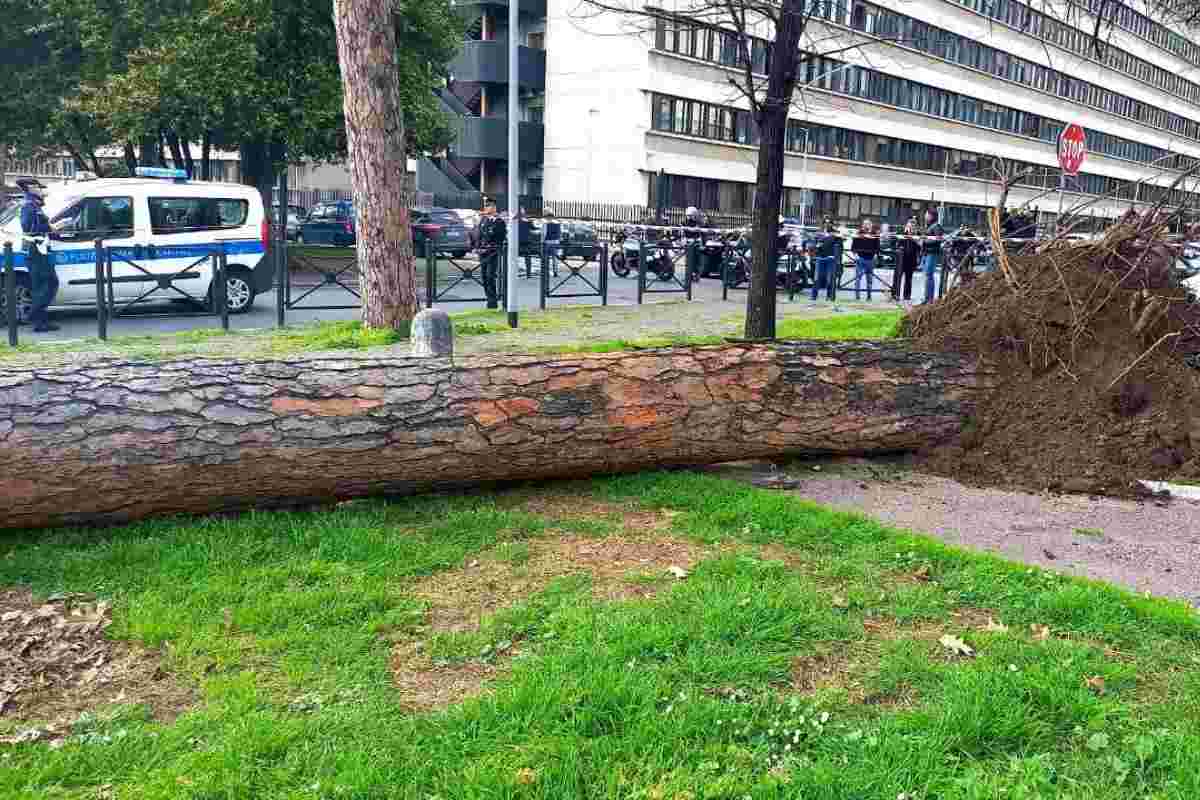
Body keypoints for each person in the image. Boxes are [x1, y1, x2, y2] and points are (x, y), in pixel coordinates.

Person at [17, 177, 58, 332]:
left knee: (46, 284)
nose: (42, 190)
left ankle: (40, 320)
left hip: (39, 249)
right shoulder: (29, 206)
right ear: (31, 188)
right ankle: (36, 317)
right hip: (35, 250)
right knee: (46, 284)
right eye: (39, 188)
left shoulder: (34, 205)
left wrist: (50, 227)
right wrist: (48, 228)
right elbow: (28, 227)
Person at [476, 202, 506, 309]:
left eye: (491, 207)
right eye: (487, 207)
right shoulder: (483, 220)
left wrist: (493, 245)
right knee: (484, 276)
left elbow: (501, 237)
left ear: (494, 209)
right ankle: (489, 297)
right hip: (483, 252)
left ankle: (492, 301)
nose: (488, 209)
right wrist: (478, 247)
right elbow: (478, 234)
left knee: (490, 276)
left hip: (493, 252)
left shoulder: (499, 222)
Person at [810, 218, 840, 304]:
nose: (827, 224)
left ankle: (829, 296)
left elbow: (839, 245)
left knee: (829, 278)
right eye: (825, 222)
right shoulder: (819, 233)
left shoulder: (835, 233)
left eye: (829, 223)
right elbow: (814, 244)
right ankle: (813, 296)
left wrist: (837, 258)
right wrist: (815, 247)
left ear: (832, 224)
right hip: (820, 257)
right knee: (817, 278)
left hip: (830, 258)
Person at [851, 219, 879, 301]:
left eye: (868, 224)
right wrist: (855, 255)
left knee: (869, 279)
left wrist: (876, 255)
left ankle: (869, 296)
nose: (866, 225)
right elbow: (853, 246)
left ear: (871, 225)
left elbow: (877, 246)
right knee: (858, 278)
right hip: (860, 258)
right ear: (863, 225)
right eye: (865, 224)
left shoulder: (874, 234)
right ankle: (857, 297)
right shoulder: (859, 233)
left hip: (870, 259)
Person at [920, 208, 945, 303]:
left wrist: (925, 241)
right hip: (927, 253)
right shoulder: (930, 226)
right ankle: (927, 298)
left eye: (926, 214)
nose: (925, 216)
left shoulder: (936, 226)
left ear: (931, 216)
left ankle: (929, 299)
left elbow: (939, 239)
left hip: (932, 253)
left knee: (929, 275)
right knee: (927, 275)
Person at [893, 220, 920, 303]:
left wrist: (914, 238)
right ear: (906, 226)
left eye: (913, 226)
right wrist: (905, 233)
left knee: (909, 278)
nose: (911, 228)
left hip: (911, 259)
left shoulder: (917, 235)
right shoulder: (902, 232)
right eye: (909, 226)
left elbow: (919, 247)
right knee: (897, 277)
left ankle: (907, 296)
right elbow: (897, 243)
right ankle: (895, 294)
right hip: (901, 258)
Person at [542, 211, 562, 278]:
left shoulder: (545, 224)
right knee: (555, 258)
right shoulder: (558, 224)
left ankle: (546, 272)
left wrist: (542, 241)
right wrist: (558, 241)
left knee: (546, 257)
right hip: (555, 242)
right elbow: (559, 234)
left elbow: (544, 233)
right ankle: (555, 272)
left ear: (547, 217)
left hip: (547, 242)